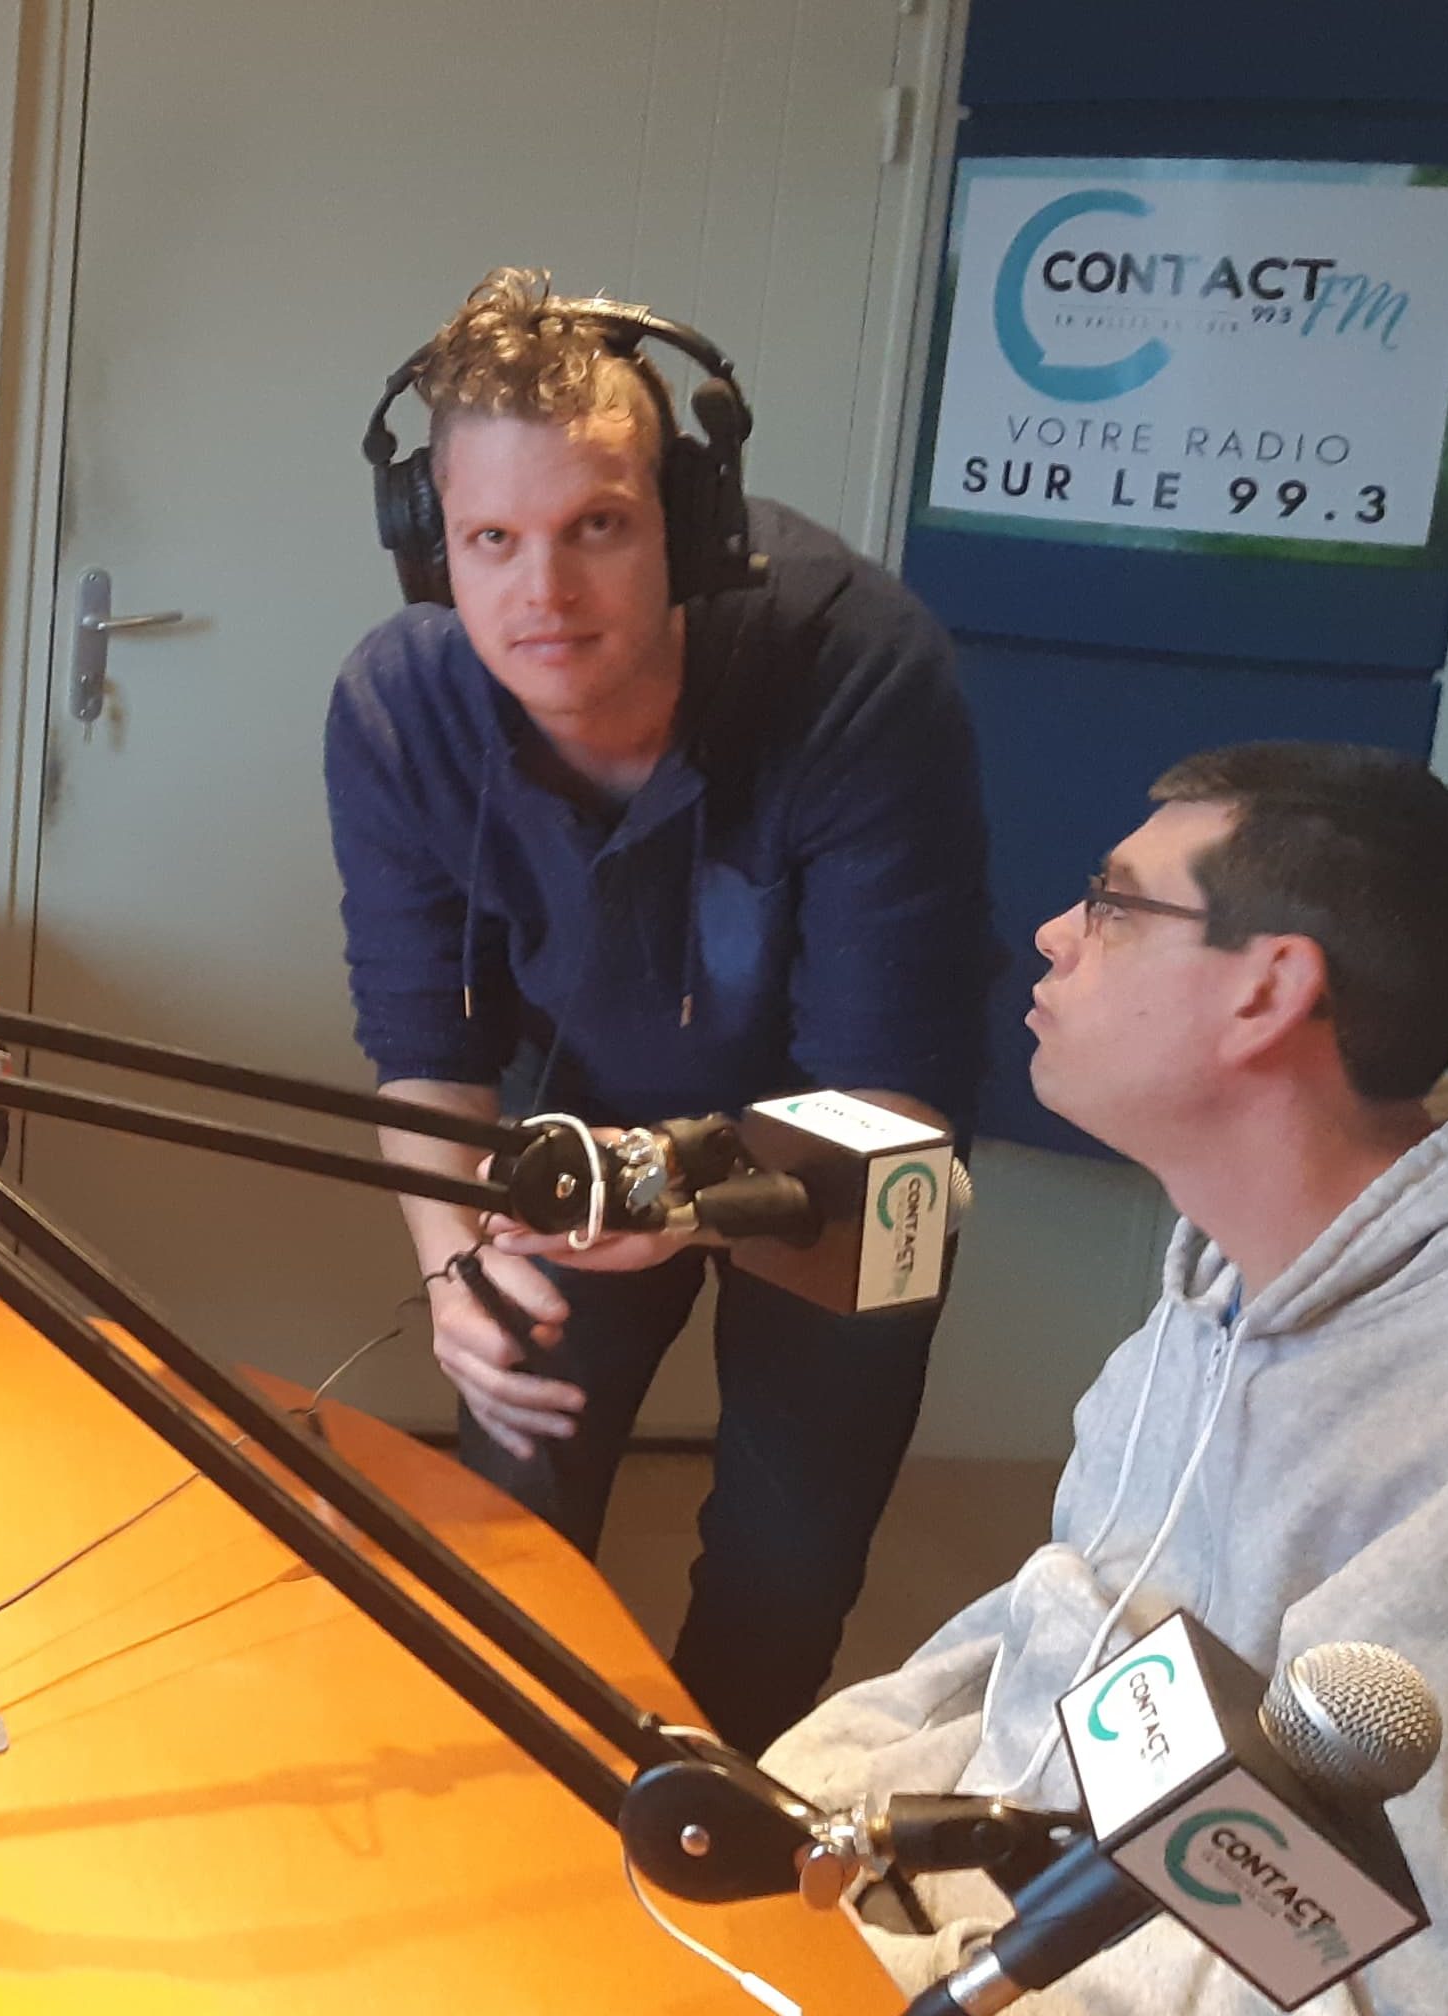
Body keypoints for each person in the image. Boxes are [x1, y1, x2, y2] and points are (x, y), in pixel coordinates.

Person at [767, 743, 1448, 2013]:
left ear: (1269, 989)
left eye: (1113, 905)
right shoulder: (1223, 1278)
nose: (1055, 934)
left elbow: (1390, 1969)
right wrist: (801, 1806)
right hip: (974, 1930)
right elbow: (1055, 1631)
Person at [326, 268, 992, 1751]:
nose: (543, 596)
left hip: (851, 1146)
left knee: (786, 1555)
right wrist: (451, 1264)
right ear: (430, 542)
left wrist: (689, 1199)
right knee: (509, 1504)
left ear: (689, 520)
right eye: (492, 541)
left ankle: (710, 1829)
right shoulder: (397, 706)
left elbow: (893, 1087)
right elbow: (422, 1045)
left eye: (598, 528)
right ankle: (511, 1793)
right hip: (581, 1121)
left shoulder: (860, 665)